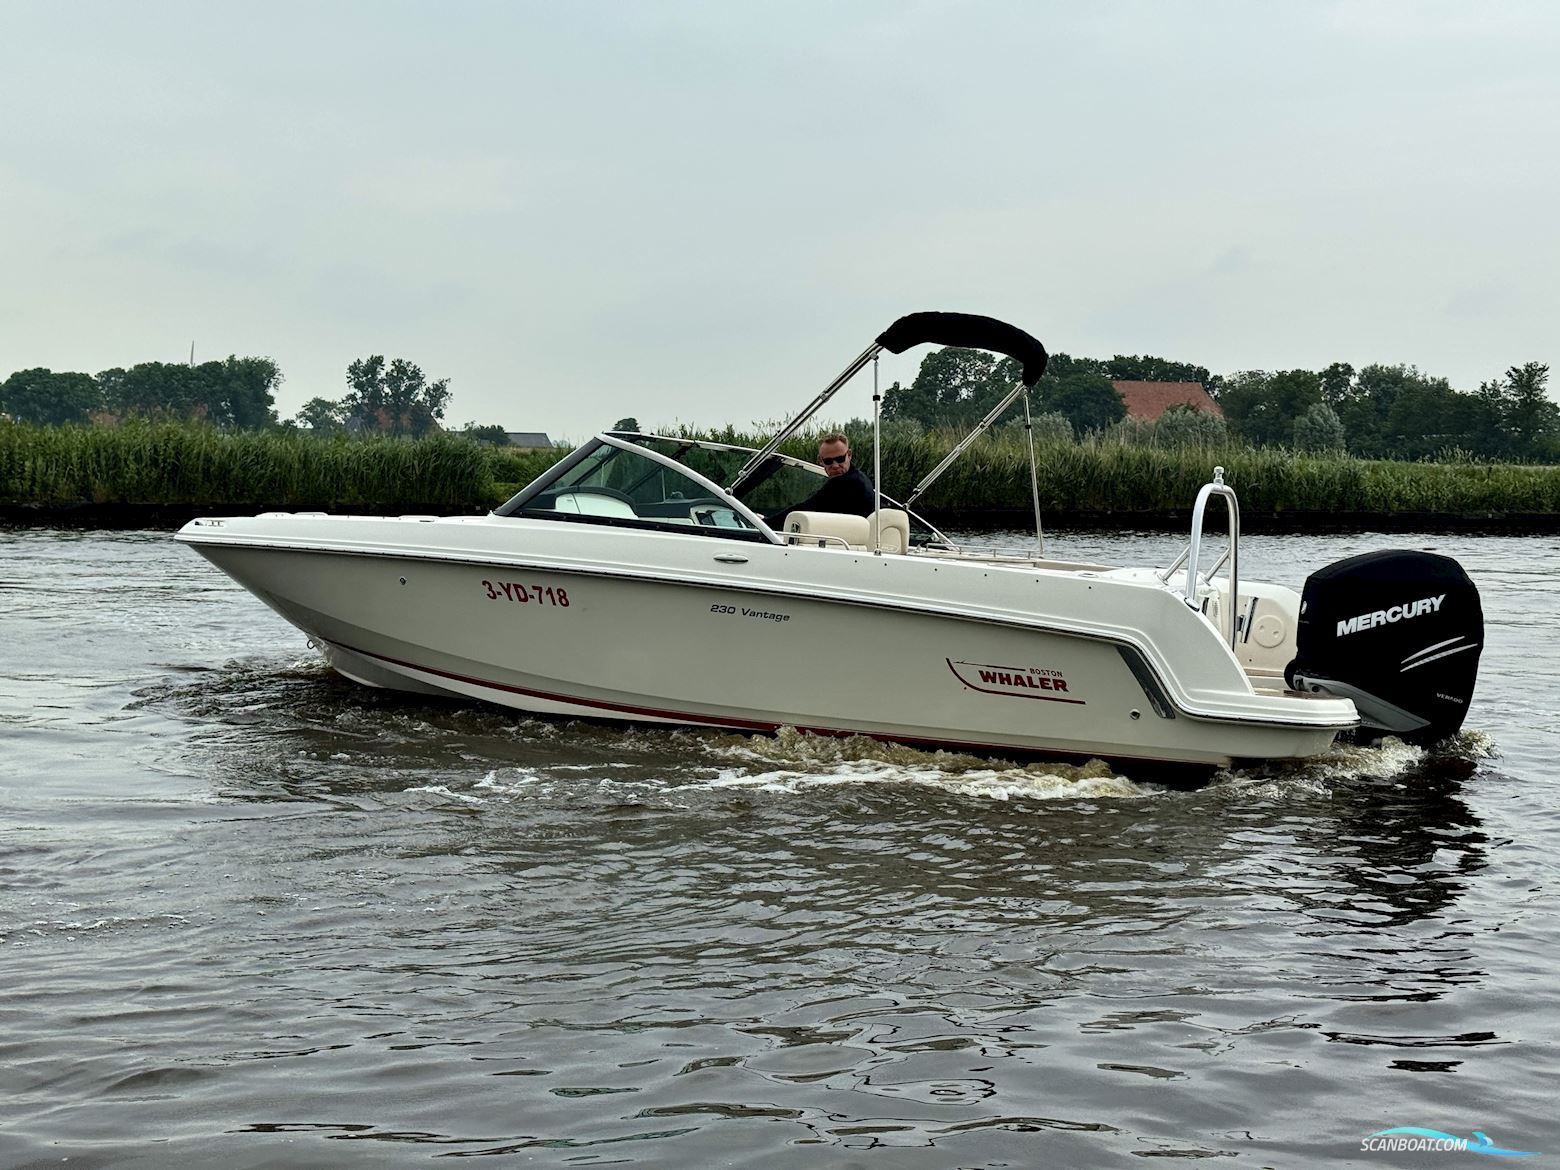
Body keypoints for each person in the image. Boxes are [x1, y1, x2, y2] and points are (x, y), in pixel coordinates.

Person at [764, 433, 874, 528]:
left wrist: (765, 524)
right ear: (820, 461)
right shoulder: (861, 478)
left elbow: (807, 508)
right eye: (828, 461)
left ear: (849, 455)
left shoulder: (846, 483)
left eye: (840, 459)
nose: (835, 465)